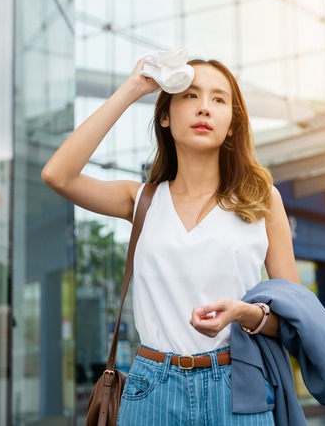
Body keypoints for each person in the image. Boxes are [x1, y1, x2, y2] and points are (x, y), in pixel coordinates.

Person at [42, 56, 299, 425]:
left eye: (219, 99)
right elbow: (57, 175)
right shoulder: (142, 200)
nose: (204, 108)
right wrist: (133, 88)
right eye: (190, 96)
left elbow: (292, 319)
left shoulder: (262, 200)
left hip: (236, 386)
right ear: (165, 116)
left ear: (231, 126)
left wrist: (244, 313)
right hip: (151, 390)